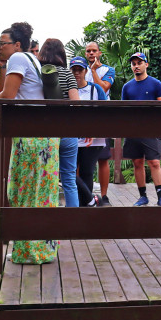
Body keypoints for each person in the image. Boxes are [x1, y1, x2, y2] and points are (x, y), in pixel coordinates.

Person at [0, 22, 59, 264]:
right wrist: (1, 67)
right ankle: (38, 250)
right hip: (41, 136)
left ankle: (29, 252)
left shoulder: (19, 58)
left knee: (24, 192)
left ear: (17, 44)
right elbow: (8, 92)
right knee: (39, 193)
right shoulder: (29, 58)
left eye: (3, 43)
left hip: (32, 137)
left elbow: (5, 97)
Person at [121, 52, 161, 206]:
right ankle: (143, 196)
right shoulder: (127, 87)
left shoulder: (156, 84)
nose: (136, 66)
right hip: (133, 130)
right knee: (137, 163)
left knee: (154, 162)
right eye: (133, 63)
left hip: (150, 130)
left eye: (139, 63)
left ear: (146, 65)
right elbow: (123, 110)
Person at [38, 39, 80, 207]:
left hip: (45, 132)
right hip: (68, 131)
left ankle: (49, 223)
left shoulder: (38, 73)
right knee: (69, 179)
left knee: (46, 177)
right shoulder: (67, 73)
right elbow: (76, 103)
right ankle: (73, 224)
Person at [70, 56, 107, 207]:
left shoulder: (95, 88)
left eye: (80, 70)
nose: (77, 73)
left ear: (85, 71)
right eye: (74, 70)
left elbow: (104, 112)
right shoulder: (67, 90)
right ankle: (89, 200)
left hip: (93, 139)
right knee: (69, 172)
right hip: (72, 137)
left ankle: (86, 207)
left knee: (86, 172)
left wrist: (92, 129)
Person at [84, 41, 116, 205]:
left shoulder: (108, 70)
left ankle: (104, 195)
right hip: (83, 118)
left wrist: (94, 71)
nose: (91, 53)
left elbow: (103, 88)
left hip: (102, 117)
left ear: (100, 52)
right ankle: (84, 193)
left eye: (94, 51)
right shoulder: (79, 69)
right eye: (88, 51)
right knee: (78, 158)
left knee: (103, 158)